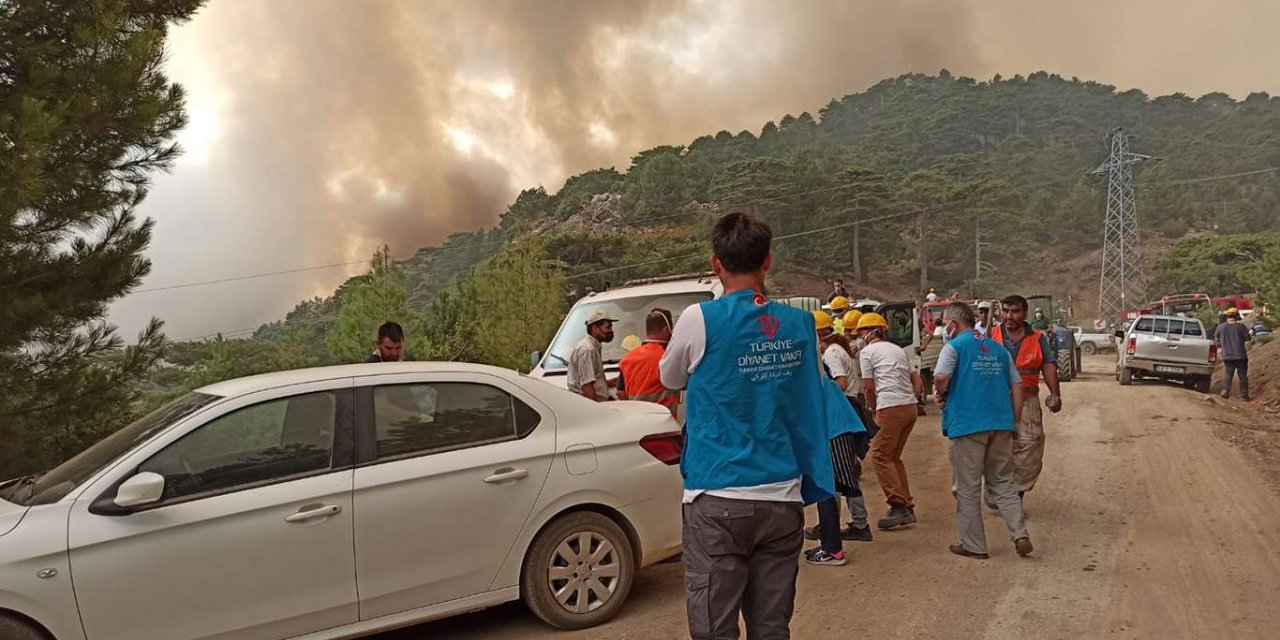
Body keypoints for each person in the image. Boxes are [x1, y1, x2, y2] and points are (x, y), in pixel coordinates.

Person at [660, 211, 834, 640]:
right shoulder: (801, 325)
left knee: (714, 630)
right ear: (767, 262)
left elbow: (668, 377)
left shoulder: (699, 319)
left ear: (716, 264)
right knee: (772, 627)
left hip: (717, 496)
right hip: (782, 496)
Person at [932, 302, 1034, 559]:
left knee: (968, 487)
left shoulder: (953, 347)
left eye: (945, 322)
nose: (944, 327)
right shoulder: (999, 351)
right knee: (1003, 482)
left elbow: (941, 377)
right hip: (1000, 424)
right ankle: (1020, 533)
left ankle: (974, 545)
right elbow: (1018, 386)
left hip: (967, 425)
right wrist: (1015, 420)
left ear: (954, 324)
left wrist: (942, 393)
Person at [804, 311, 873, 551]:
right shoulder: (829, 365)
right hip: (842, 423)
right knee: (840, 479)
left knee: (841, 480)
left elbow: (840, 383)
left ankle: (853, 526)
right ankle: (832, 525)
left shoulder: (826, 369)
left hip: (837, 428)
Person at [989, 295, 1062, 500]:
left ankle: (1016, 493)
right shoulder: (989, 336)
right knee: (994, 447)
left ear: (1025, 313)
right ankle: (997, 491)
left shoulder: (1038, 338)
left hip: (1028, 400)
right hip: (995, 401)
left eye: (1015, 311)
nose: (1009, 316)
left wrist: (1055, 394)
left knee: (1030, 445)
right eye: (1005, 311)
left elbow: (1048, 366)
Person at [857, 312, 924, 530]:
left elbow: (868, 386)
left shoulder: (867, 352)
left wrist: (874, 408)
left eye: (862, 331)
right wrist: (910, 396)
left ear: (872, 332)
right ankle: (907, 503)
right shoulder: (898, 350)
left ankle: (898, 506)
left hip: (890, 405)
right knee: (893, 457)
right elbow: (917, 380)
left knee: (879, 454)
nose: (861, 335)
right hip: (909, 407)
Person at [617, 308, 679, 414]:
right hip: (665, 421)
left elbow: (620, 393)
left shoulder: (627, 358)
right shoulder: (668, 357)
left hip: (638, 420)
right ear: (666, 330)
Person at [567, 310, 618, 402]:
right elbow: (586, 385)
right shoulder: (587, 350)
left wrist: (606, 383)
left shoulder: (593, 347)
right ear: (595, 328)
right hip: (590, 406)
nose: (611, 331)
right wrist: (595, 409)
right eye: (608, 327)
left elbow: (590, 380)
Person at [1215, 307, 1252, 401]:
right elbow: (1248, 338)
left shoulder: (1220, 327)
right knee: (1242, 375)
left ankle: (1225, 391)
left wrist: (1221, 346)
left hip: (1227, 355)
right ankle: (1244, 396)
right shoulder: (1241, 327)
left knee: (1228, 373)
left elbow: (1216, 339)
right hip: (1240, 355)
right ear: (1236, 316)